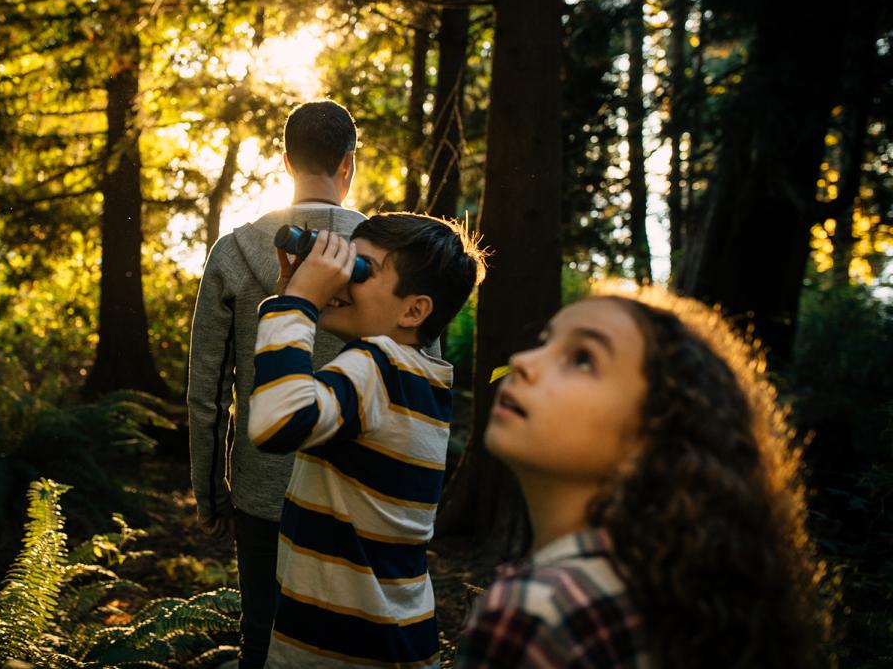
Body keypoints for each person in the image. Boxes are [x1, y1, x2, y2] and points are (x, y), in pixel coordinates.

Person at [457, 286, 829, 669]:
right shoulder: (672, 599)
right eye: (544, 342)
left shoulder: (536, 609)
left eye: (582, 359)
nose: (521, 360)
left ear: (652, 437)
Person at [248, 213, 487, 668]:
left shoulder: (377, 366)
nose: (339, 276)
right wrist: (295, 297)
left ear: (414, 310)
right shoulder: (418, 376)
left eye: (361, 270)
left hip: (348, 648)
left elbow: (276, 420)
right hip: (392, 637)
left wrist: (298, 301)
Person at [187, 100, 367, 669]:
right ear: (348, 164)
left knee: (261, 638)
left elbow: (207, 391)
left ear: (285, 161)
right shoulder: (388, 257)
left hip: (265, 490)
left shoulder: (236, 252)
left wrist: (211, 492)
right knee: (352, 644)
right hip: (361, 492)